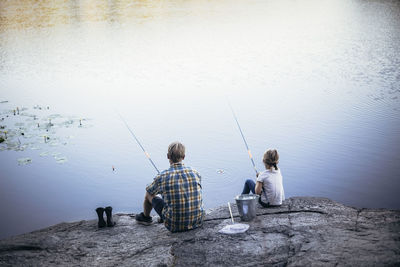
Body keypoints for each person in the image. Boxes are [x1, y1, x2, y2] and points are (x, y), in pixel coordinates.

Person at [135, 142, 204, 232]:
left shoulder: (162, 176)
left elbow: (149, 190)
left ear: (168, 156)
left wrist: (156, 182)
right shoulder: (195, 172)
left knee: (149, 194)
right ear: (184, 157)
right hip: (197, 221)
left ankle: (146, 218)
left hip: (174, 225)